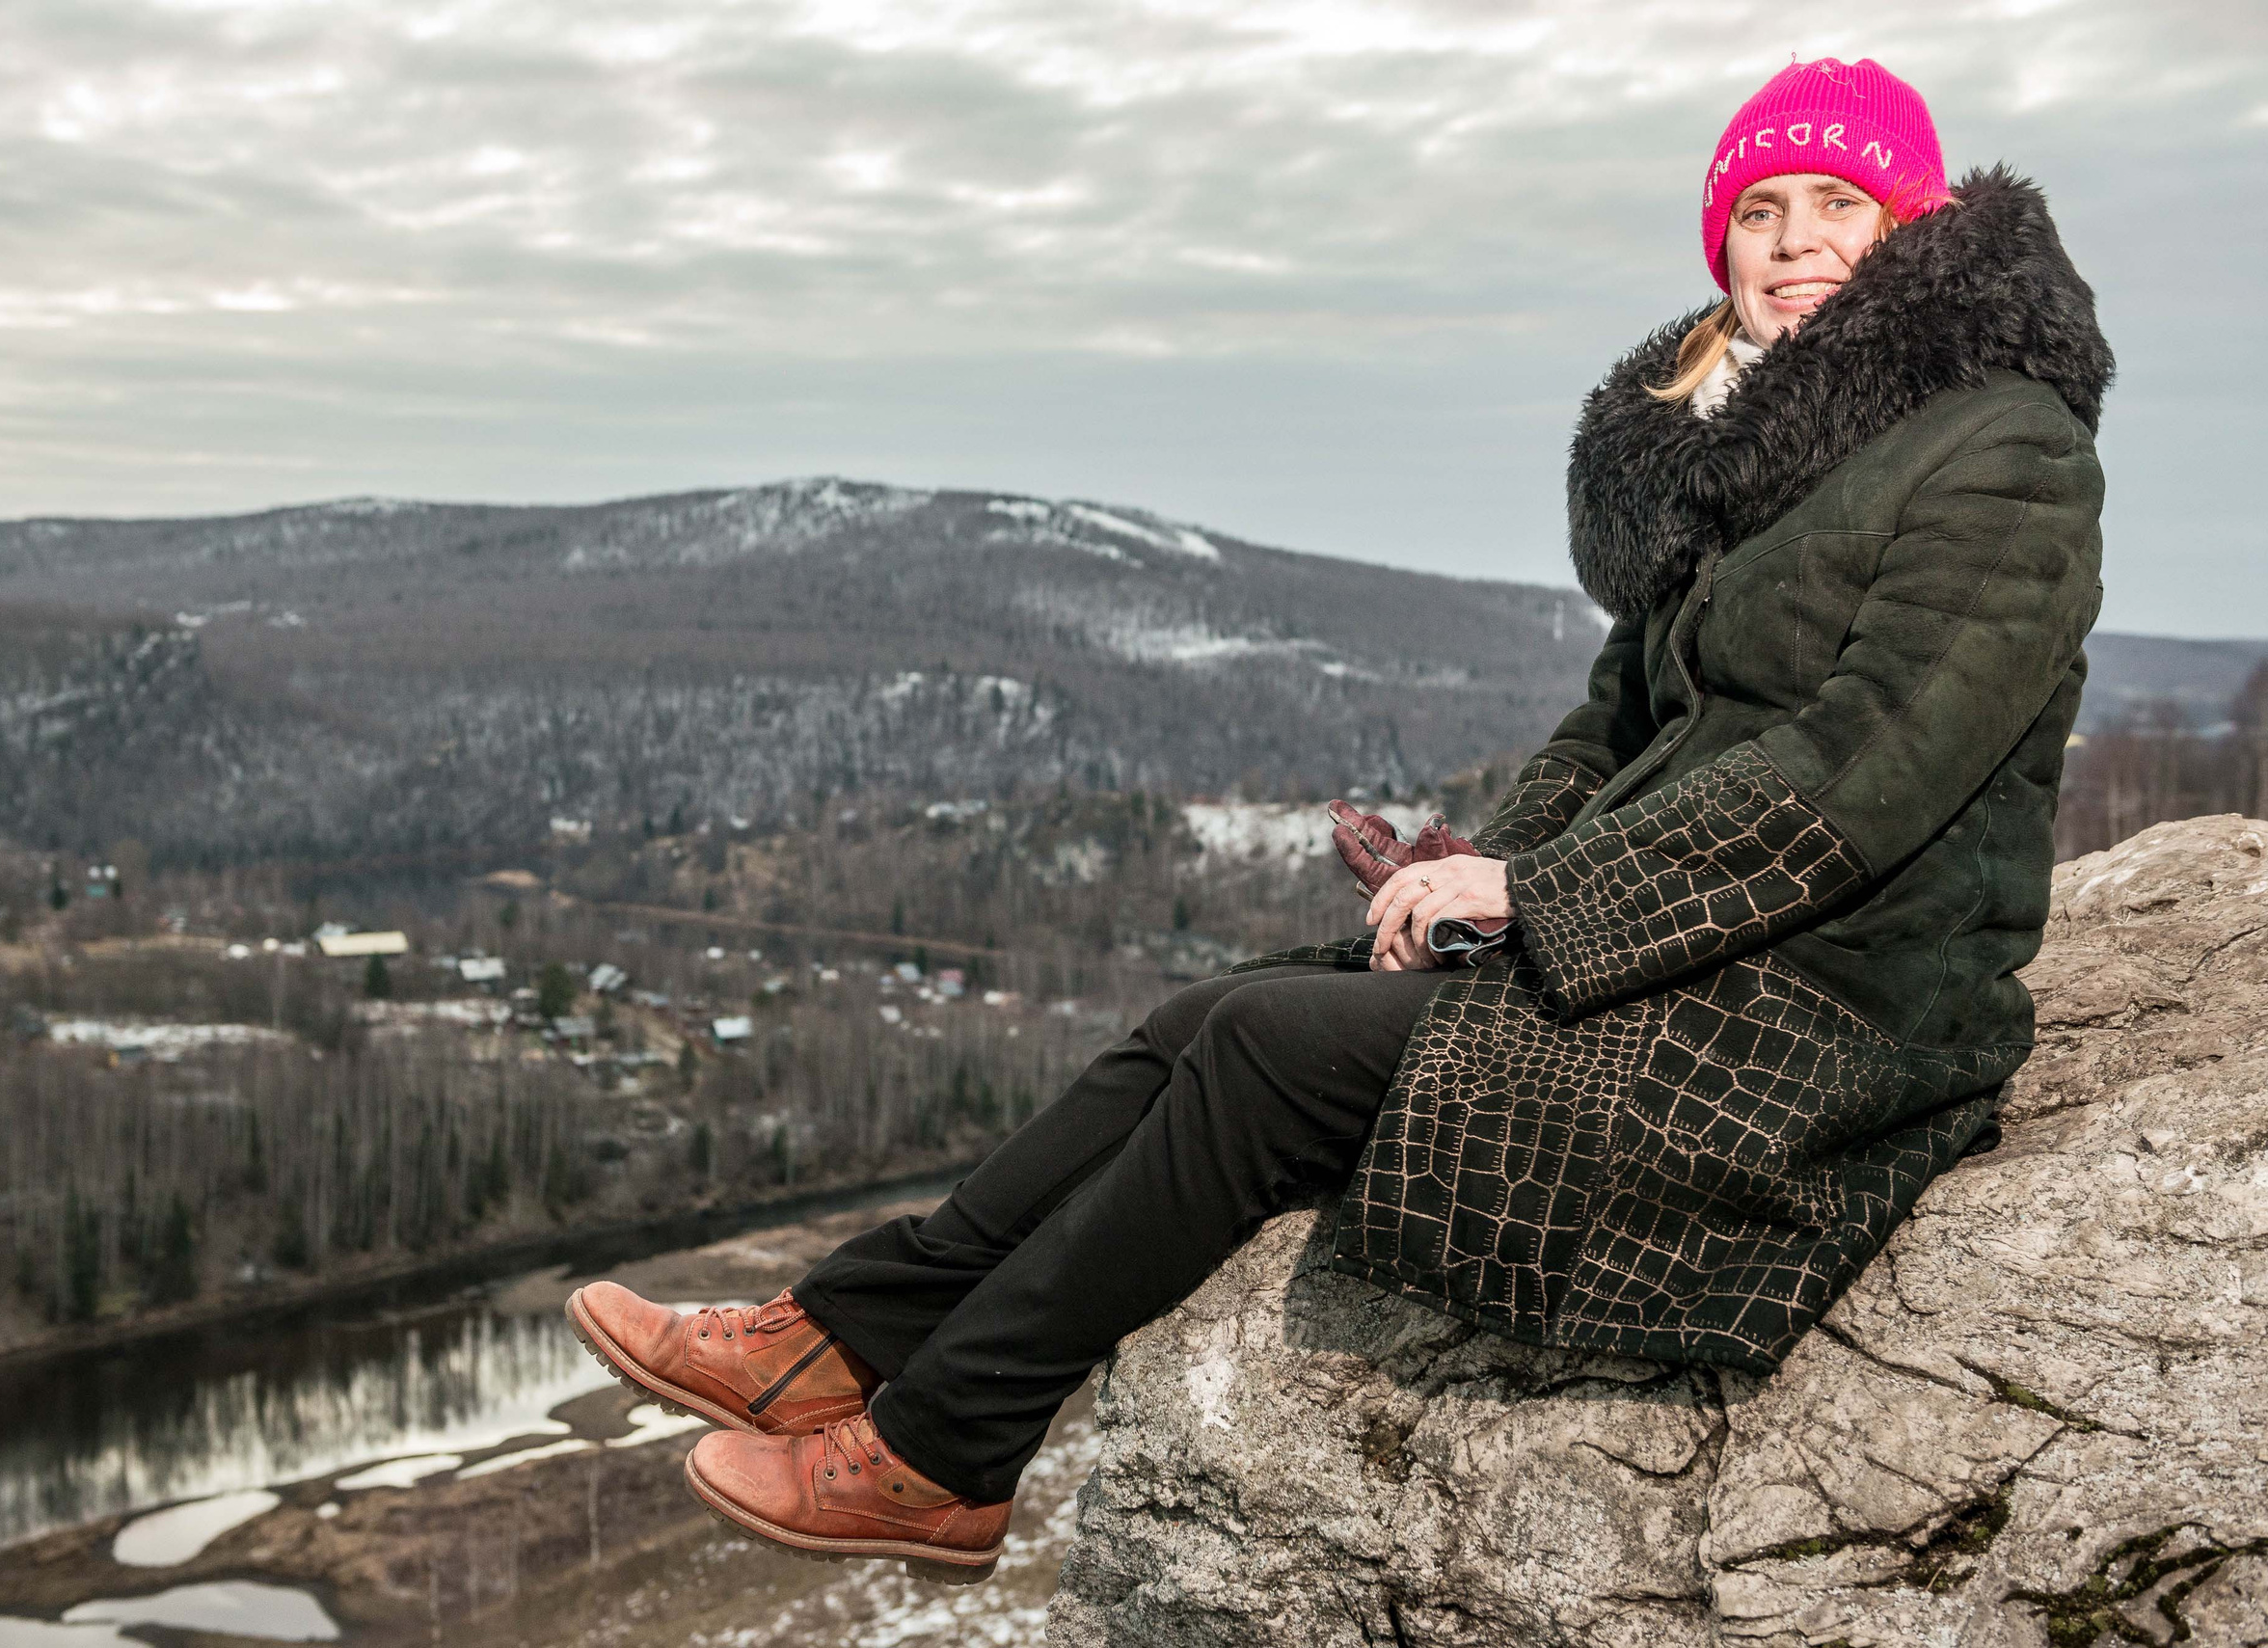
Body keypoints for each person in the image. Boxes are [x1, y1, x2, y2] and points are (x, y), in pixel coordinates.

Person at [566, 56, 2112, 1584]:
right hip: (1696, 939)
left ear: (1910, 229)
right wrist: (1473, 870)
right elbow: (1616, 721)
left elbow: (1866, 771)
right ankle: (838, 1337)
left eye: (1838, 202)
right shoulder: (1764, 451)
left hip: (1835, 999)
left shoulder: (2004, 448)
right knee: (1202, 1012)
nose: (1792, 241)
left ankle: (948, 1452)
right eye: (1759, 210)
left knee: (1262, 1059)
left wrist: (1546, 899)